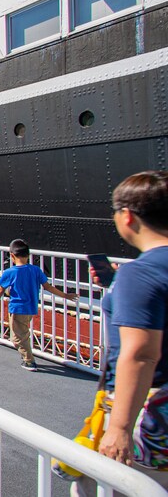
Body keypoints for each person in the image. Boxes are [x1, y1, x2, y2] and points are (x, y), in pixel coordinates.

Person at [71, 171, 168, 494]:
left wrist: (120, 428)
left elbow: (141, 353)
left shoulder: (140, 274)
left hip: (151, 421)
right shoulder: (140, 276)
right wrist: (117, 286)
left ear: (127, 216)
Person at [0, 238, 78, 371]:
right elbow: (48, 287)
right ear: (28, 255)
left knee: (17, 338)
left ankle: (29, 361)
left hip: (17, 309)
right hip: (31, 308)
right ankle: (26, 355)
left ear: (12, 256)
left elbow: (1, 289)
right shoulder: (36, 270)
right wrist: (65, 295)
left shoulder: (9, 273)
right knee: (23, 333)